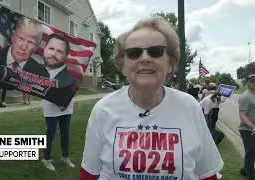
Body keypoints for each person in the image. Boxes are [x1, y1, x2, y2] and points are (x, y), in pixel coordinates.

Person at [79, 16, 223, 180]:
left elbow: (208, 173)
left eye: (155, 51)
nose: (145, 58)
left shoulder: (189, 106)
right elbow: (89, 174)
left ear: (170, 63)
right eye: (134, 53)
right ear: (122, 65)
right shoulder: (103, 109)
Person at [0, 16, 45, 108]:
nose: (23, 46)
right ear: (13, 38)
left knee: (1, 84)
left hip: (8, 79)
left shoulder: (36, 68)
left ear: (36, 47)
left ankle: (0, 101)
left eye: (30, 42)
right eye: (21, 38)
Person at [41, 33, 76, 171]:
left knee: (65, 133)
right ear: (45, 49)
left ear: (66, 55)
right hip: (50, 109)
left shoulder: (72, 73)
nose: (54, 54)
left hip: (66, 108)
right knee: (50, 133)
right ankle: (46, 158)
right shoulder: (39, 72)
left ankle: (65, 156)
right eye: (51, 48)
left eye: (59, 51)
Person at [238, 74, 255, 180]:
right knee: (250, 154)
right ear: (248, 82)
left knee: (252, 153)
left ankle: (245, 170)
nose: (254, 83)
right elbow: (242, 114)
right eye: (252, 81)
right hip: (247, 130)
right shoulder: (245, 96)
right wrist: (252, 126)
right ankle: (249, 177)